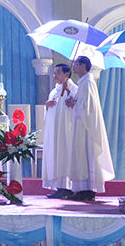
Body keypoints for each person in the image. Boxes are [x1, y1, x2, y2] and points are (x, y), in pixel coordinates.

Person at [65, 55, 114, 201]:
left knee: (86, 156)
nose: (74, 66)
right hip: (81, 126)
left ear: (84, 66)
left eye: (76, 64)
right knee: (80, 156)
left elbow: (88, 108)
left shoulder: (88, 83)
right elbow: (81, 103)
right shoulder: (83, 83)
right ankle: (82, 189)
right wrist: (72, 100)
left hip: (87, 129)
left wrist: (74, 103)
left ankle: (87, 190)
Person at [42, 63, 77, 198]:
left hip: (66, 131)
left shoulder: (74, 89)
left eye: (58, 72)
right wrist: (47, 106)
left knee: (64, 156)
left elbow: (76, 107)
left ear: (67, 74)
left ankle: (67, 187)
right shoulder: (54, 91)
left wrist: (68, 93)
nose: (55, 75)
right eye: (54, 72)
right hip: (54, 130)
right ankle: (59, 187)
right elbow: (50, 111)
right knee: (54, 156)